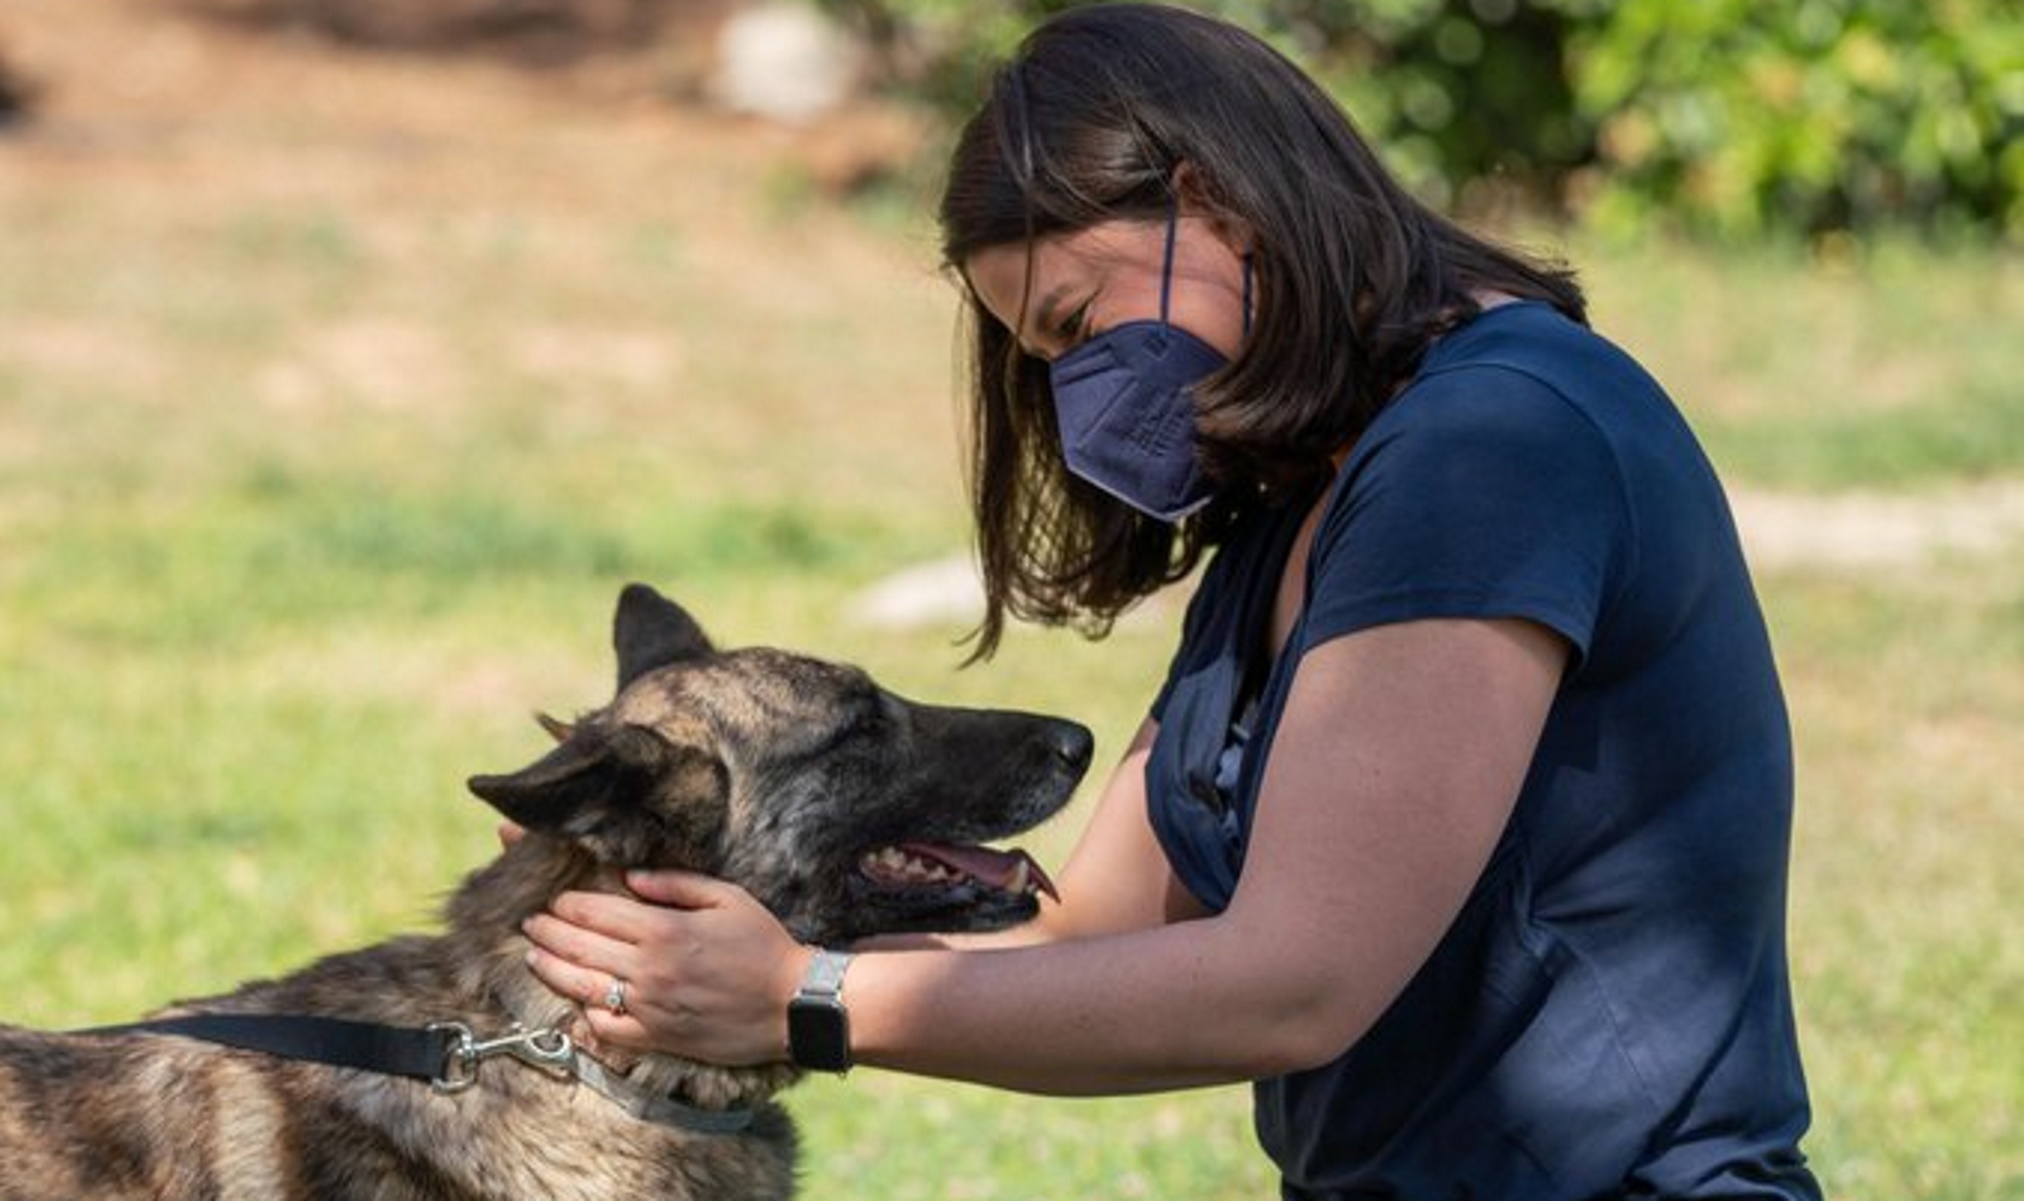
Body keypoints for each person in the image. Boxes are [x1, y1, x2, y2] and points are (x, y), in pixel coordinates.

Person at [519, 4, 1824, 1196]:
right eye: (1046, 361)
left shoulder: (1490, 451)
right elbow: (1084, 929)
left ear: (1218, 202)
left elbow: (1293, 982)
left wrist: (812, 1001)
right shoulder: (1293, 502)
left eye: (1081, 324)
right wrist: (688, 961)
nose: (1081, 397)